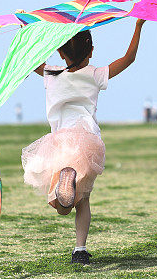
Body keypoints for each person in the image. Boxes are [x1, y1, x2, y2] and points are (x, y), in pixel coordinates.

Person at [22, 20, 147, 265]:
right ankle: (80, 249)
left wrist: (28, 29)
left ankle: (64, 182)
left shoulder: (52, 73)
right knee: (83, 200)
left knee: (61, 207)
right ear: (91, 51)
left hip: (59, 143)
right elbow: (128, 58)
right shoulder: (95, 74)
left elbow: (30, 60)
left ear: (60, 52)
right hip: (87, 141)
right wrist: (138, 26)